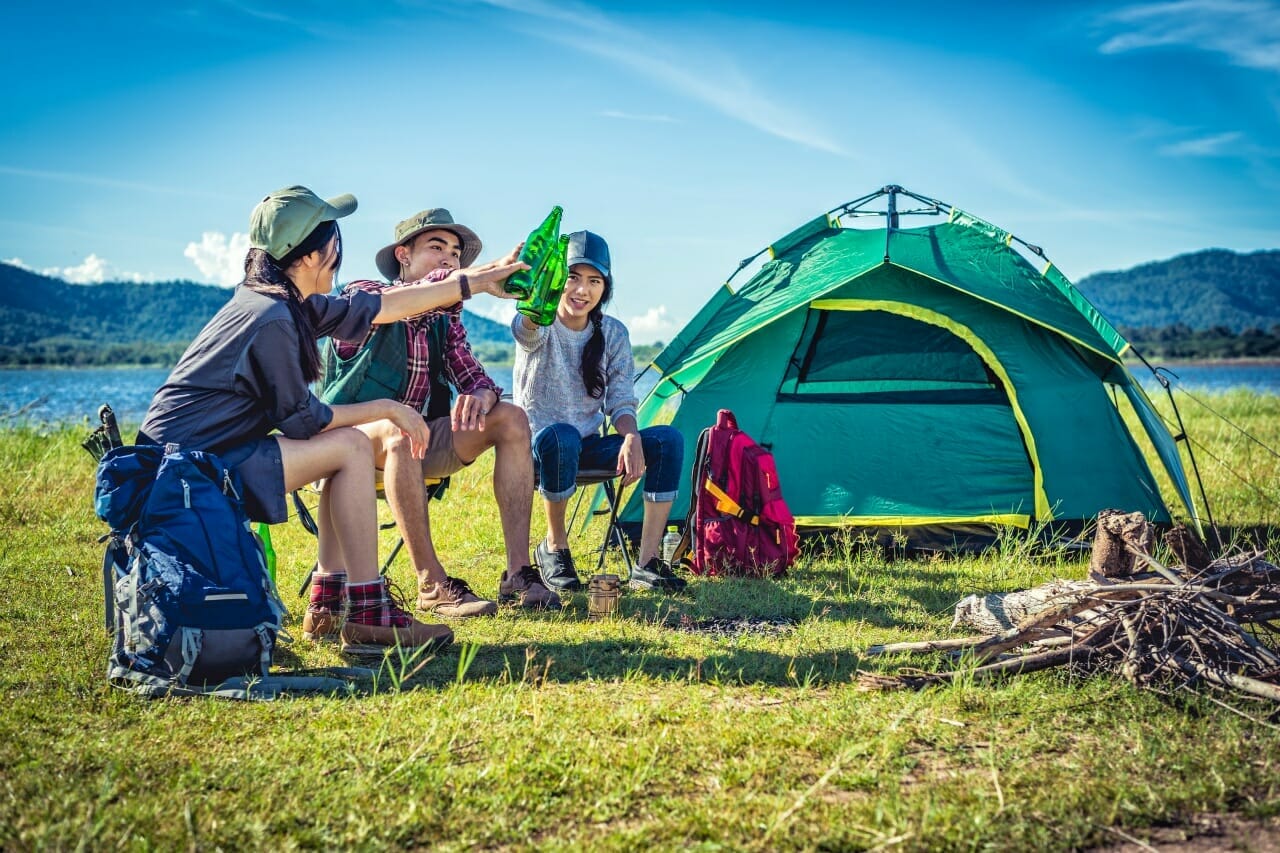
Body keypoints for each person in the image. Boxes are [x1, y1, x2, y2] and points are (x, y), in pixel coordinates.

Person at [138, 186, 527, 656]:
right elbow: (304, 420)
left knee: (348, 445)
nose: (338, 254)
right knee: (350, 445)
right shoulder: (272, 316)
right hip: (181, 471)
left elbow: (387, 309)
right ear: (313, 254)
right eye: (334, 241)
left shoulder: (287, 304)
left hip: (201, 457)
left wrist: (478, 281)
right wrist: (388, 408)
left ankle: (338, 601)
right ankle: (366, 611)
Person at [326, 209, 559, 614]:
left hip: (415, 443)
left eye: (455, 252)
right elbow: (405, 304)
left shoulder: (445, 321)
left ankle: (519, 574)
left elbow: (477, 377)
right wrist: (478, 278)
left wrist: (481, 397)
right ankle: (431, 584)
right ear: (403, 254)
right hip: (348, 443)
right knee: (399, 428)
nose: (449, 258)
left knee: (511, 418)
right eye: (437, 248)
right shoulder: (363, 295)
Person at [512, 230, 687, 593]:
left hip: (586, 446)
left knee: (667, 440)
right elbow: (525, 332)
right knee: (562, 436)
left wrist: (631, 436)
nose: (582, 290)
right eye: (573, 277)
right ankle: (554, 547)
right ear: (556, 279)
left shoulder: (613, 333)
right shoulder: (541, 322)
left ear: (605, 288)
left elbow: (621, 399)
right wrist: (533, 294)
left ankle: (647, 562)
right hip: (539, 447)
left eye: (594, 281)